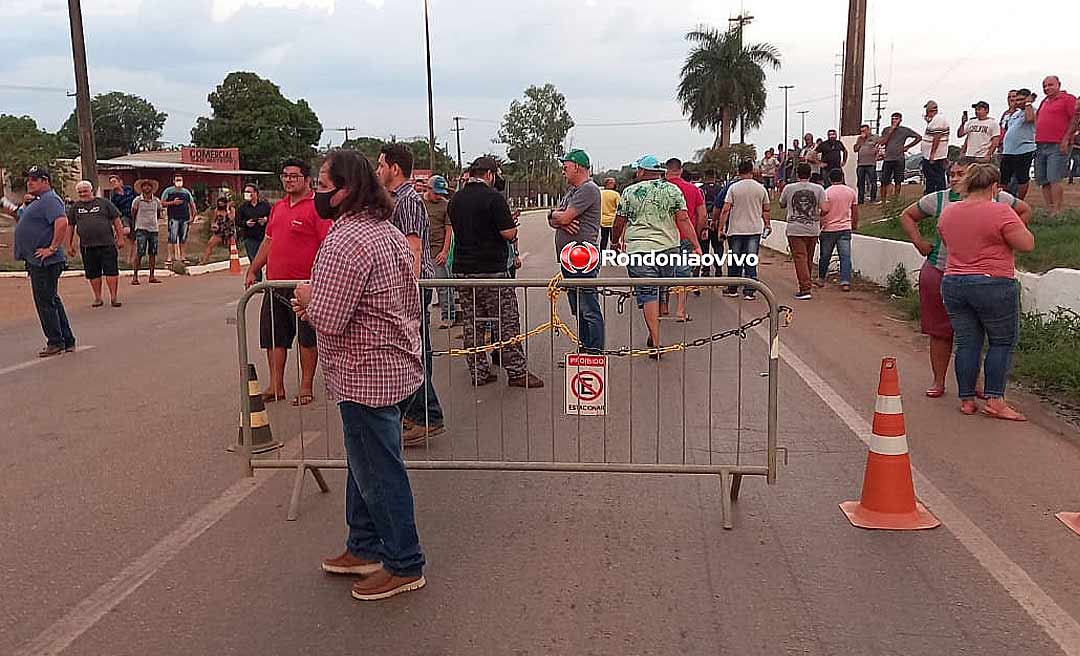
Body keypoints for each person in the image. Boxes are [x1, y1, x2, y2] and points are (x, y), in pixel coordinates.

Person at [292, 149, 427, 602]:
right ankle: (364, 545)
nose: (316, 193)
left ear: (346, 190)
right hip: (388, 364)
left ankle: (404, 562)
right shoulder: (384, 231)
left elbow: (328, 317)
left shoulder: (347, 239)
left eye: (322, 186)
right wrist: (315, 301)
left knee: (379, 469)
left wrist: (306, 295)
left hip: (366, 371)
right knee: (363, 463)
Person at [900, 160, 1032, 399]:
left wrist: (1007, 234)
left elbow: (1024, 210)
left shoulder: (998, 200)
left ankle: (971, 390)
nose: (955, 178)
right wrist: (918, 242)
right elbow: (908, 215)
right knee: (944, 332)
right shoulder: (940, 199)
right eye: (952, 174)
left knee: (970, 337)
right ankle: (941, 381)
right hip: (943, 269)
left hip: (954, 277)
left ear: (972, 176)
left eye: (961, 174)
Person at [938, 163, 1035, 421]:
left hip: (954, 281)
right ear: (995, 187)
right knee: (1001, 342)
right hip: (993, 283)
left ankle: (967, 399)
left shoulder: (948, 213)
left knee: (967, 342)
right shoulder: (1001, 211)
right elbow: (1026, 244)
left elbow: (947, 242)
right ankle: (995, 400)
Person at [448, 156, 544, 388]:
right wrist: (509, 223)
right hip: (491, 271)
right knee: (506, 322)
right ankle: (517, 373)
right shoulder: (494, 198)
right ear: (490, 175)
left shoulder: (455, 200)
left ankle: (478, 372)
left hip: (463, 271)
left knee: (473, 324)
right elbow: (508, 233)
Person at [245, 158, 331, 406]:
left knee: (307, 338)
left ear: (307, 179)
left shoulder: (317, 208)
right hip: (275, 284)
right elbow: (268, 241)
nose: (289, 180)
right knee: (273, 337)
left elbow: (327, 245)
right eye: (285, 175)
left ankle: (306, 386)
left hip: (305, 286)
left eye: (294, 176)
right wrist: (253, 269)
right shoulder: (278, 207)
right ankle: (276, 385)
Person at [376, 142, 445, 446]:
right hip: (406, 287)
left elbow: (413, 248)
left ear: (395, 168)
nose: (377, 170)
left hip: (412, 288)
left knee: (414, 352)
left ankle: (426, 415)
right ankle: (415, 413)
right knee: (410, 350)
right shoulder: (394, 199)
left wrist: (407, 291)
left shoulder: (408, 202)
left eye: (381, 165)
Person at [611, 155, 700, 357]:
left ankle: (656, 340)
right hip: (668, 249)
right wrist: (696, 245)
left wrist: (615, 242)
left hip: (640, 250)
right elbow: (684, 219)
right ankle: (655, 330)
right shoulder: (672, 190)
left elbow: (619, 222)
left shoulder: (630, 192)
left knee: (648, 292)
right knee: (660, 287)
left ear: (642, 171)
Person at [14, 166, 75, 357]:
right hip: (37, 260)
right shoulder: (39, 202)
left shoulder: (51, 200)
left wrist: (52, 248)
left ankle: (55, 342)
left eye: (34, 179)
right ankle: (66, 339)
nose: (29, 182)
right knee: (51, 299)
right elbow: (20, 217)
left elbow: (62, 222)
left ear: (45, 181)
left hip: (45, 261)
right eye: (29, 179)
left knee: (45, 301)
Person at [549, 149, 605, 353]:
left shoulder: (587, 190)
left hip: (582, 258)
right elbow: (554, 219)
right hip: (570, 259)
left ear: (577, 167)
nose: (563, 171)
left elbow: (562, 218)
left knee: (588, 309)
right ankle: (584, 350)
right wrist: (556, 217)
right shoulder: (571, 192)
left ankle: (594, 353)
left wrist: (560, 219)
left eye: (566, 167)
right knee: (579, 310)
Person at [66, 180, 125, 308]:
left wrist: (120, 238)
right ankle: (98, 298)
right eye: (80, 192)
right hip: (87, 246)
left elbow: (116, 220)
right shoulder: (75, 207)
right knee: (93, 273)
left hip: (107, 244)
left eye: (85, 191)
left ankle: (114, 297)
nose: (83, 194)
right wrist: (69, 245)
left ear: (91, 190)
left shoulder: (104, 203)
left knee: (111, 271)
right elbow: (70, 226)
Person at [717, 160, 770, 300]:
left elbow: (725, 209)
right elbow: (766, 209)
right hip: (754, 229)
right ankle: (750, 290)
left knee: (735, 259)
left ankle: (733, 288)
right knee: (750, 259)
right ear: (752, 171)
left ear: (738, 172)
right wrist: (767, 224)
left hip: (736, 229)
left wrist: (720, 228)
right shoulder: (760, 188)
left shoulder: (734, 188)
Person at [780, 163, 829, 301]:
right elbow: (825, 208)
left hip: (795, 229)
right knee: (807, 258)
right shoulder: (819, 189)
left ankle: (805, 288)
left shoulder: (789, 188)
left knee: (800, 258)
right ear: (810, 174)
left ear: (797, 174)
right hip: (812, 229)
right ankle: (805, 284)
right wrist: (818, 214)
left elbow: (781, 203)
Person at [664, 157, 706, 318]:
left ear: (666, 171)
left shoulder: (661, 189)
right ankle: (680, 311)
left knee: (664, 273)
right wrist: (697, 232)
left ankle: (664, 306)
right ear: (681, 170)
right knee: (683, 274)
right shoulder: (693, 189)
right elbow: (702, 215)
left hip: (665, 237)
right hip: (686, 236)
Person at [1035, 75, 1078, 214]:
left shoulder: (1068, 99)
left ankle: (1057, 211)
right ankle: (1049, 209)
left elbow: (1075, 118)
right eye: (1045, 86)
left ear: (1058, 84)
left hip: (1057, 144)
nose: (1047, 88)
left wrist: (1066, 139)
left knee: (1054, 177)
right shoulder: (1044, 101)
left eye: (1050, 85)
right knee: (1043, 179)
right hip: (1041, 144)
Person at [817, 169, 858, 291]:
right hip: (845, 227)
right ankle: (845, 281)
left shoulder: (826, 192)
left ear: (829, 179)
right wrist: (854, 224)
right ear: (842, 177)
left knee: (825, 256)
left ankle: (821, 279)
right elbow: (855, 210)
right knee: (845, 256)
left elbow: (823, 212)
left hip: (829, 229)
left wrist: (820, 226)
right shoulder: (851, 192)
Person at [423, 175, 456, 329]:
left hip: (438, 252)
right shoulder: (418, 202)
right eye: (436, 193)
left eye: (441, 193)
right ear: (428, 189)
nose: (439, 196)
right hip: (421, 252)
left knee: (443, 286)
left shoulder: (446, 206)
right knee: (422, 289)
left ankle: (448, 316)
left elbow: (449, 230)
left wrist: (445, 251)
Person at [1000, 88, 1038, 199]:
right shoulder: (1015, 114)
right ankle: (1005, 199)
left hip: (1024, 149)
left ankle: (1020, 200)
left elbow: (1029, 119)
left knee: (1022, 178)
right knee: (1003, 178)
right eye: (1017, 100)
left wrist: (1028, 103)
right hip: (1009, 151)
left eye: (1021, 99)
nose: (1018, 102)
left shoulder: (1033, 110)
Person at [878, 112, 922, 204]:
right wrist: (891, 130)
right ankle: (883, 201)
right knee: (884, 180)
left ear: (900, 120)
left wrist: (907, 146)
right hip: (888, 158)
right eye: (893, 118)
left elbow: (918, 137)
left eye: (896, 118)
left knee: (898, 180)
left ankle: (896, 199)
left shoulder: (904, 130)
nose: (894, 120)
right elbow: (882, 142)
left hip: (899, 158)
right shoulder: (886, 130)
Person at [129, 179, 164, 285]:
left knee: (152, 253)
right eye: (145, 186)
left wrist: (154, 222)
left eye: (149, 186)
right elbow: (133, 214)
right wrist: (134, 228)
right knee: (140, 252)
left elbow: (158, 213)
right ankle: (135, 276)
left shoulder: (156, 201)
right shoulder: (137, 200)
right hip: (141, 228)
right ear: (142, 188)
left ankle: (152, 276)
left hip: (154, 229)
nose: (147, 188)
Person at [236, 183, 271, 281]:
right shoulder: (243, 207)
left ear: (255, 193)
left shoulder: (265, 205)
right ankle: (257, 281)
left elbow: (273, 217)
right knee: (254, 259)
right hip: (250, 237)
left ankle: (271, 282)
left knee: (268, 260)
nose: (247, 194)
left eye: (249, 192)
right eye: (245, 192)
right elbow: (238, 221)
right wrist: (246, 223)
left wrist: (265, 220)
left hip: (264, 237)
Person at [160, 174, 196, 266]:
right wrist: (173, 203)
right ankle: (169, 257)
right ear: (173, 181)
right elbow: (162, 203)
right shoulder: (168, 191)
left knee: (183, 238)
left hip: (185, 218)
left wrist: (193, 216)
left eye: (180, 179)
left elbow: (192, 204)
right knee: (172, 237)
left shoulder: (186, 192)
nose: (179, 181)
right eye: (177, 180)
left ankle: (183, 257)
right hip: (173, 218)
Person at [698, 170, 724, 275]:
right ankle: (718, 267)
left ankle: (706, 268)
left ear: (705, 177)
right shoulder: (721, 189)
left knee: (705, 246)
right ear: (714, 177)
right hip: (717, 221)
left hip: (704, 221)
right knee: (718, 246)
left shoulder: (700, 190)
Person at [921, 101, 951, 193]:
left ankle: (937, 195)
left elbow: (937, 137)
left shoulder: (939, 119)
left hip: (936, 156)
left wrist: (932, 154)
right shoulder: (935, 120)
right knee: (931, 178)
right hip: (931, 155)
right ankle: (931, 193)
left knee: (936, 178)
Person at [106, 175, 136, 265]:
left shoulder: (128, 189)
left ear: (120, 182)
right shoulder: (114, 196)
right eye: (111, 182)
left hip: (134, 215)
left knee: (133, 240)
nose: (113, 184)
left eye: (114, 181)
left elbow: (136, 197)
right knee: (126, 231)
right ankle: (117, 237)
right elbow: (114, 209)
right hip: (124, 216)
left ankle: (131, 260)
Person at [202, 195, 235, 264]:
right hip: (219, 231)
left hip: (229, 230)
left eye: (222, 203)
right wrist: (213, 225)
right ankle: (204, 260)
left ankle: (233, 260)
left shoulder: (231, 210)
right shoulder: (217, 210)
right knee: (210, 244)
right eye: (219, 203)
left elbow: (231, 218)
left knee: (231, 246)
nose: (221, 205)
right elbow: (213, 220)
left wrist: (228, 209)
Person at [853, 124, 880, 204]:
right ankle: (860, 200)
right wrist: (861, 141)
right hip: (861, 164)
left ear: (869, 130)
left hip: (871, 163)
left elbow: (881, 145)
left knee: (873, 182)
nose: (863, 132)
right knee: (860, 183)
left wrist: (877, 152)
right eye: (861, 131)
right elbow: (855, 149)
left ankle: (873, 199)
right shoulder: (860, 139)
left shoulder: (875, 137)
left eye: (864, 130)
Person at [599, 177, 620, 252]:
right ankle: (613, 256)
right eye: (613, 182)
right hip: (613, 221)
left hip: (603, 221)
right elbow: (619, 208)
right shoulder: (616, 194)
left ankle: (602, 254)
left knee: (604, 238)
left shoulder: (600, 194)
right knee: (613, 240)